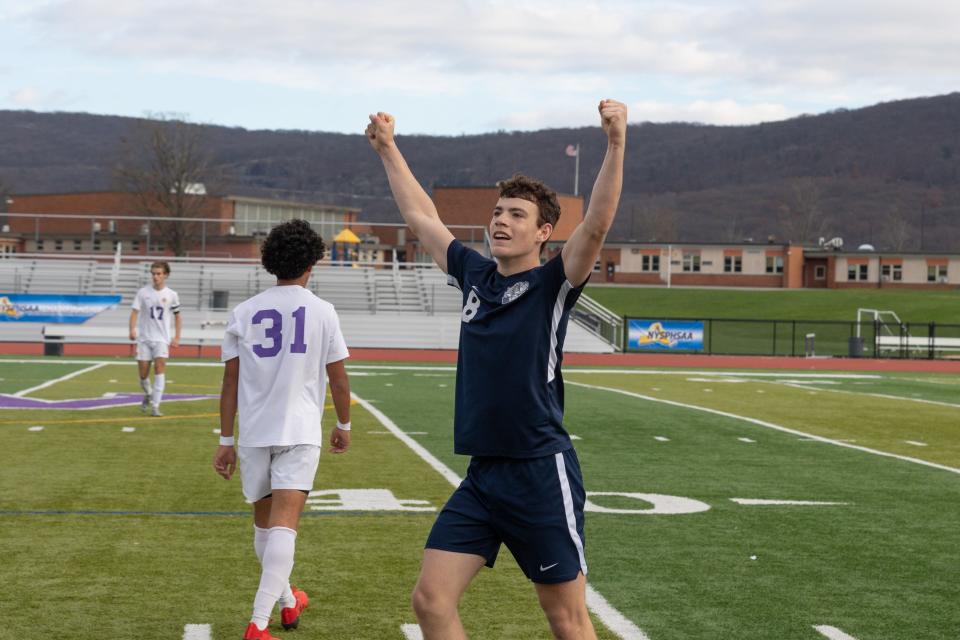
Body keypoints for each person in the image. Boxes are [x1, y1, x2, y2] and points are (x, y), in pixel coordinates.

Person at [366, 99, 627, 639]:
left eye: (516, 215)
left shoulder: (552, 284)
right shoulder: (475, 276)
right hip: (485, 474)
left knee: (566, 617)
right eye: (498, 212)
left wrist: (617, 142)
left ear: (543, 233)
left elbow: (597, 225)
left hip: (539, 471)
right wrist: (389, 149)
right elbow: (420, 217)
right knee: (431, 601)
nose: (501, 222)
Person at [212, 219, 353, 640]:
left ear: (269, 260)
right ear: (312, 262)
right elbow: (339, 378)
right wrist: (344, 423)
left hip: (256, 432)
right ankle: (257, 623)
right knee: (284, 527)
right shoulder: (323, 311)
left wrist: (225, 441)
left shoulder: (244, 312)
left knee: (264, 528)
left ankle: (289, 603)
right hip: (299, 430)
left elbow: (229, 383)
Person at [129, 261, 182, 417]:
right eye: (153, 273)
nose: (155, 276)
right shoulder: (143, 292)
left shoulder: (172, 295)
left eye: (159, 273)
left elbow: (178, 316)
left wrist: (177, 337)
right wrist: (132, 329)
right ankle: (148, 393)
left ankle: (156, 406)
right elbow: (134, 312)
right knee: (143, 375)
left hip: (161, 339)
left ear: (165, 275)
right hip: (144, 339)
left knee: (159, 370)